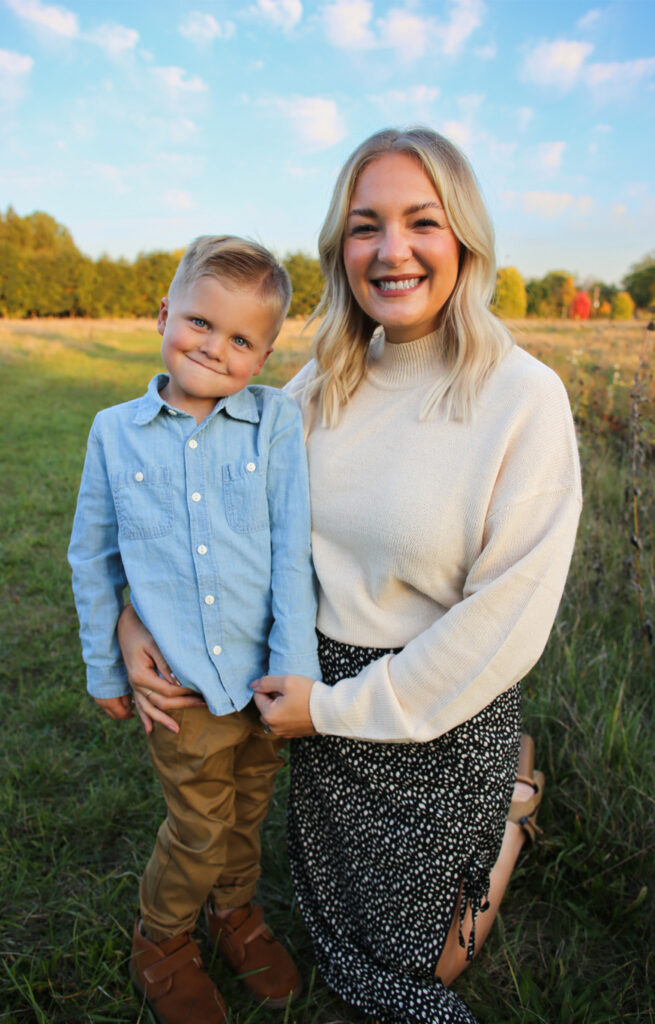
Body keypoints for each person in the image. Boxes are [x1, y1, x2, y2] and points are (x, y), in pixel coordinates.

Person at [117, 128, 582, 1024]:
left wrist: (329, 708)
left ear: (464, 242)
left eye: (422, 222)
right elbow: (202, 512)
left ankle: (508, 807)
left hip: (436, 711)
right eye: (366, 226)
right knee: (333, 940)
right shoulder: (315, 385)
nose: (392, 249)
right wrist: (133, 617)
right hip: (314, 711)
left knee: (413, 972)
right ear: (341, 249)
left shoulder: (522, 396)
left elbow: (505, 618)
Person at [68, 236, 320, 1024]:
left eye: (241, 339)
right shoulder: (115, 431)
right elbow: (93, 557)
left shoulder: (273, 422)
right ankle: (163, 935)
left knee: (246, 809)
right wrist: (107, 670)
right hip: (177, 686)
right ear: (162, 315)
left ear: (266, 353)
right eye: (200, 323)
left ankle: (233, 913)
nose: (215, 347)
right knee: (199, 822)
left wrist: (295, 673)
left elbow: (289, 551)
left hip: (259, 682)